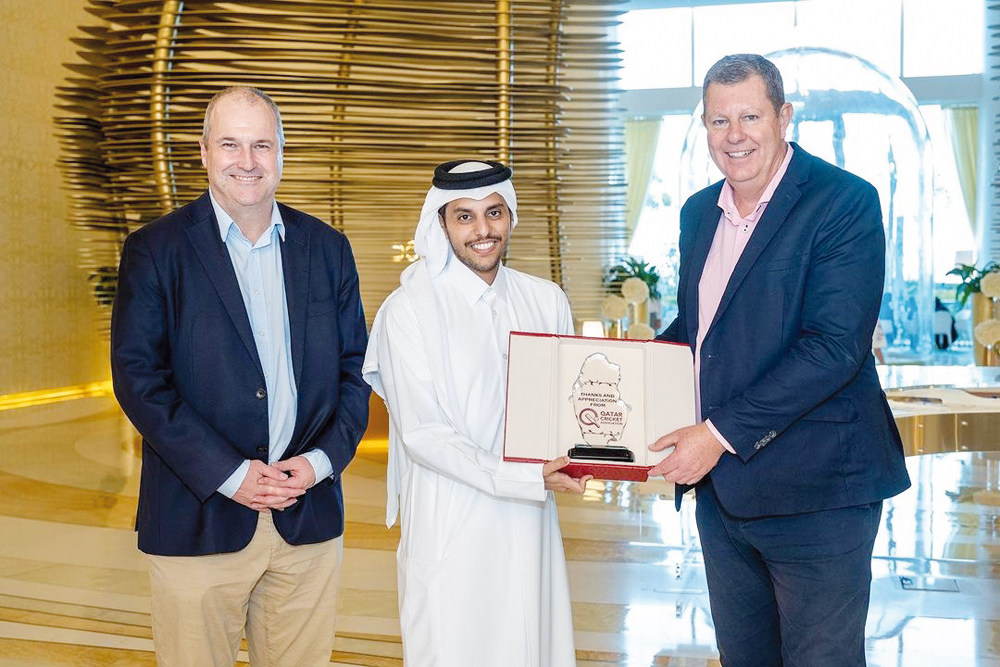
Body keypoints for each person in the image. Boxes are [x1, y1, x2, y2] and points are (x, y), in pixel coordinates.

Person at [648, 54, 911, 666]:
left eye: (749, 116)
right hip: (725, 500)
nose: (734, 135)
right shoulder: (696, 213)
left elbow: (834, 347)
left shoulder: (843, 202)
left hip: (818, 494)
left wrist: (715, 434)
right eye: (718, 121)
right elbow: (701, 330)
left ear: (783, 116)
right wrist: (619, 381)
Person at [110, 86, 370, 667]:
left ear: (281, 153)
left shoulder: (328, 249)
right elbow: (139, 379)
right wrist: (230, 474)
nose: (247, 161)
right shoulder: (156, 250)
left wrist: (320, 462)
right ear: (203, 152)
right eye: (230, 144)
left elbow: (356, 371)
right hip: (197, 520)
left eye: (261, 145)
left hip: (307, 518)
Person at [362, 159, 589, 667]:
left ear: (511, 217)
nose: (483, 230)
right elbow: (423, 435)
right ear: (440, 224)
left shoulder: (545, 299)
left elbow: (571, 407)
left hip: (532, 521)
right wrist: (524, 476)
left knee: (534, 644)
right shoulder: (408, 310)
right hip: (451, 523)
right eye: (464, 217)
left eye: (494, 213)